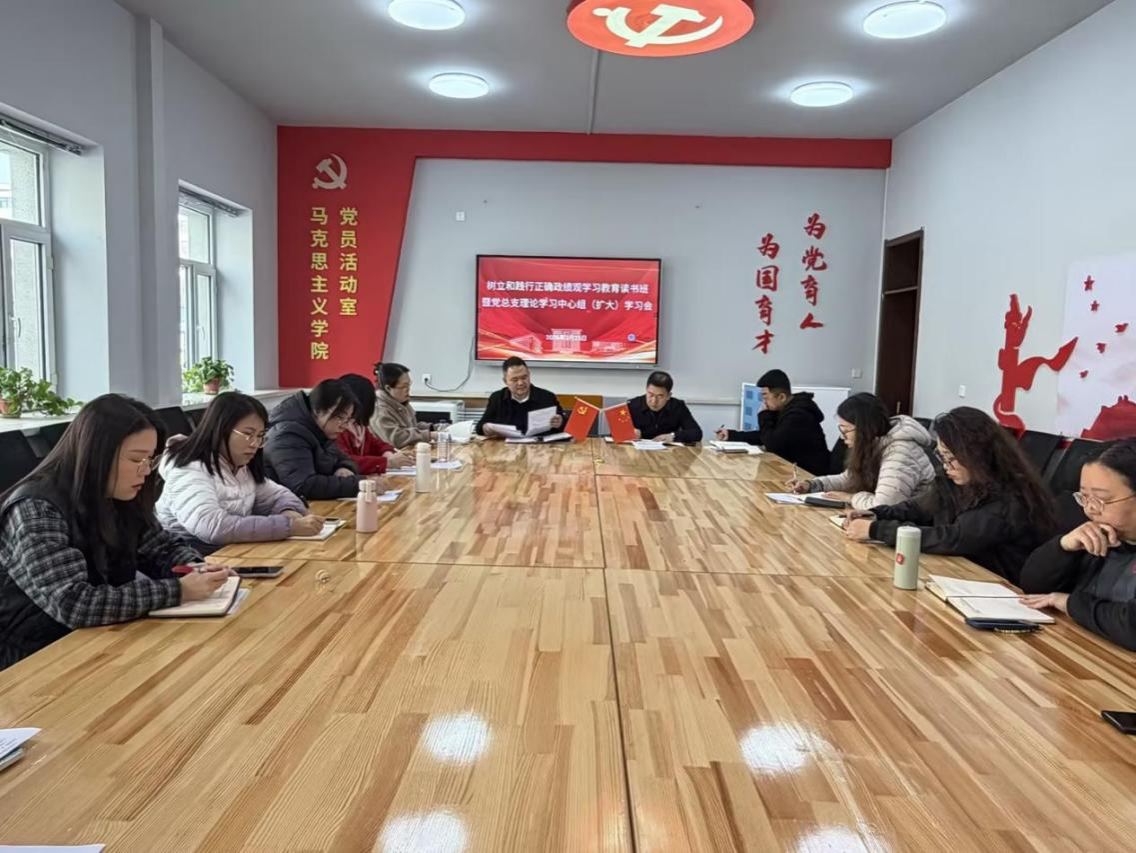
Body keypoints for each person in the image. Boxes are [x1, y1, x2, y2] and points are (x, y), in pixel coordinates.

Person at [0, 395, 234, 669]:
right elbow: (74, 603)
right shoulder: (36, 509)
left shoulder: (117, 495)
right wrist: (178, 590)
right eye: (136, 459)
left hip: (105, 641)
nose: (145, 471)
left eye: (150, 459)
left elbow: (162, 548)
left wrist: (194, 567)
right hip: (36, 660)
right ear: (97, 454)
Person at [842, 407, 1056, 583]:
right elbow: (917, 508)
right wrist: (876, 514)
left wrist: (876, 530)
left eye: (951, 458)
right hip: (960, 575)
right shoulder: (956, 479)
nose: (946, 466)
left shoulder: (1010, 497)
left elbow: (953, 538)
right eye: (942, 457)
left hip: (998, 587)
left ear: (975, 456)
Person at [156, 392, 323, 554]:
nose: (255, 444)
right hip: (191, 560)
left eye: (260, 436)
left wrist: (288, 512)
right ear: (220, 429)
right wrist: (288, 526)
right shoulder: (189, 469)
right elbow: (212, 527)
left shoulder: (239, 466)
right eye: (248, 434)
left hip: (230, 554)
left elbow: (279, 495)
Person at [1020, 440, 1136, 650]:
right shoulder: (1101, 534)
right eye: (1084, 497)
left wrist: (1068, 603)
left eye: (1101, 499)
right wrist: (1063, 547)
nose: (1090, 509)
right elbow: (1033, 586)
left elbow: (1131, 628)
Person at [792, 392, 935, 509]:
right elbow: (849, 478)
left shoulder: (900, 453)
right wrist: (813, 485)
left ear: (865, 429)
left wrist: (850, 498)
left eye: (846, 430)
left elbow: (884, 506)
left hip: (912, 527)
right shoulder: (875, 444)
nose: (842, 436)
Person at [263, 380, 376, 500]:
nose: (344, 426)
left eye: (348, 420)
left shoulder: (320, 431)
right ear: (318, 410)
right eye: (340, 417)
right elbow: (303, 485)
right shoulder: (287, 435)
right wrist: (360, 484)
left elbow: (345, 459)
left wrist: (344, 467)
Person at [715, 369, 829, 473]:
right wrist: (731, 435)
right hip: (792, 470)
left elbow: (772, 444)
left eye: (765, 397)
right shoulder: (786, 408)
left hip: (811, 474)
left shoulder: (799, 414)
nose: (764, 402)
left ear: (781, 397)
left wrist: (764, 415)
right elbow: (765, 435)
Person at [336, 374, 414, 474]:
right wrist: (388, 462)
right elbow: (347, 460)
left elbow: (376, 444)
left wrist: (389, 455)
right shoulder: (337, 428)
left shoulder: (359, 424)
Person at [476, 357, 564, 438]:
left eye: (524, 377)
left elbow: (564, 424)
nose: (520, 383)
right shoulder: (497, 398)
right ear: (505, 381)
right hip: (506, 447)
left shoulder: (547, 397)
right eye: (515, 380)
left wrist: (560, 422)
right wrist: (486, 428)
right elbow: (480, 427)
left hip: (539, 446)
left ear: (529, 375)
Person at [627, 371, 702, 444]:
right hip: (638, 450)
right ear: (646, 390)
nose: (654, 401)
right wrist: (629, 432)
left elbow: (696, 433)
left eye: (660, 396)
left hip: (668, 450)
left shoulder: (678, 406)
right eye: (651, 394)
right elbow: (619, 431)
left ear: (668, 396)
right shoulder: (633, 405)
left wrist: (673, 436)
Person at [372, 362, 435, 449]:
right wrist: (430, 435)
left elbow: (412, 427)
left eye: (409, 385)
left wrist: (433, 428)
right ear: (388, 388)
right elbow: (396, 439)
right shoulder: (379, 409)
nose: (408, 389)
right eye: (403, 386)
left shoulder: (401, 401)